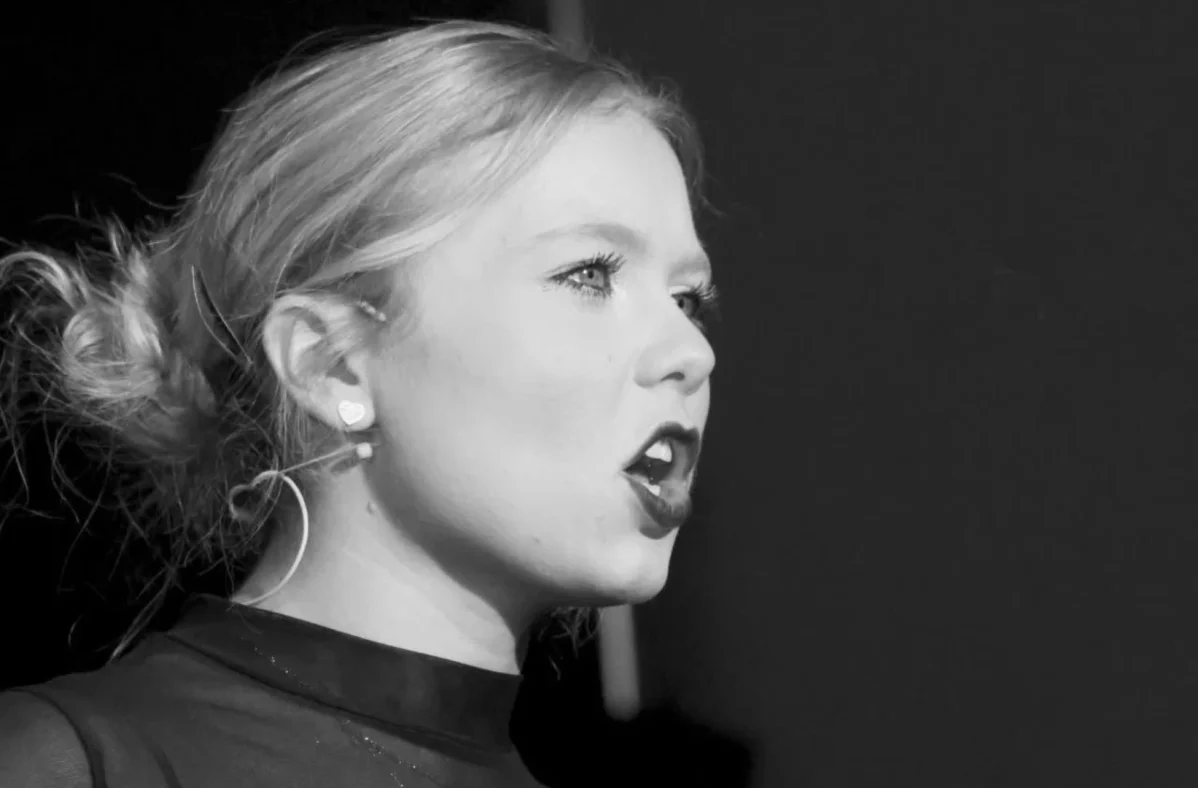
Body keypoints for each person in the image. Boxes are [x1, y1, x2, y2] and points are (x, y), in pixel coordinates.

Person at [0, 19, 717, 788]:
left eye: (688, 297)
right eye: (589, 274)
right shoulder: (71, 762)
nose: (692, 352)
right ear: (331, 363)